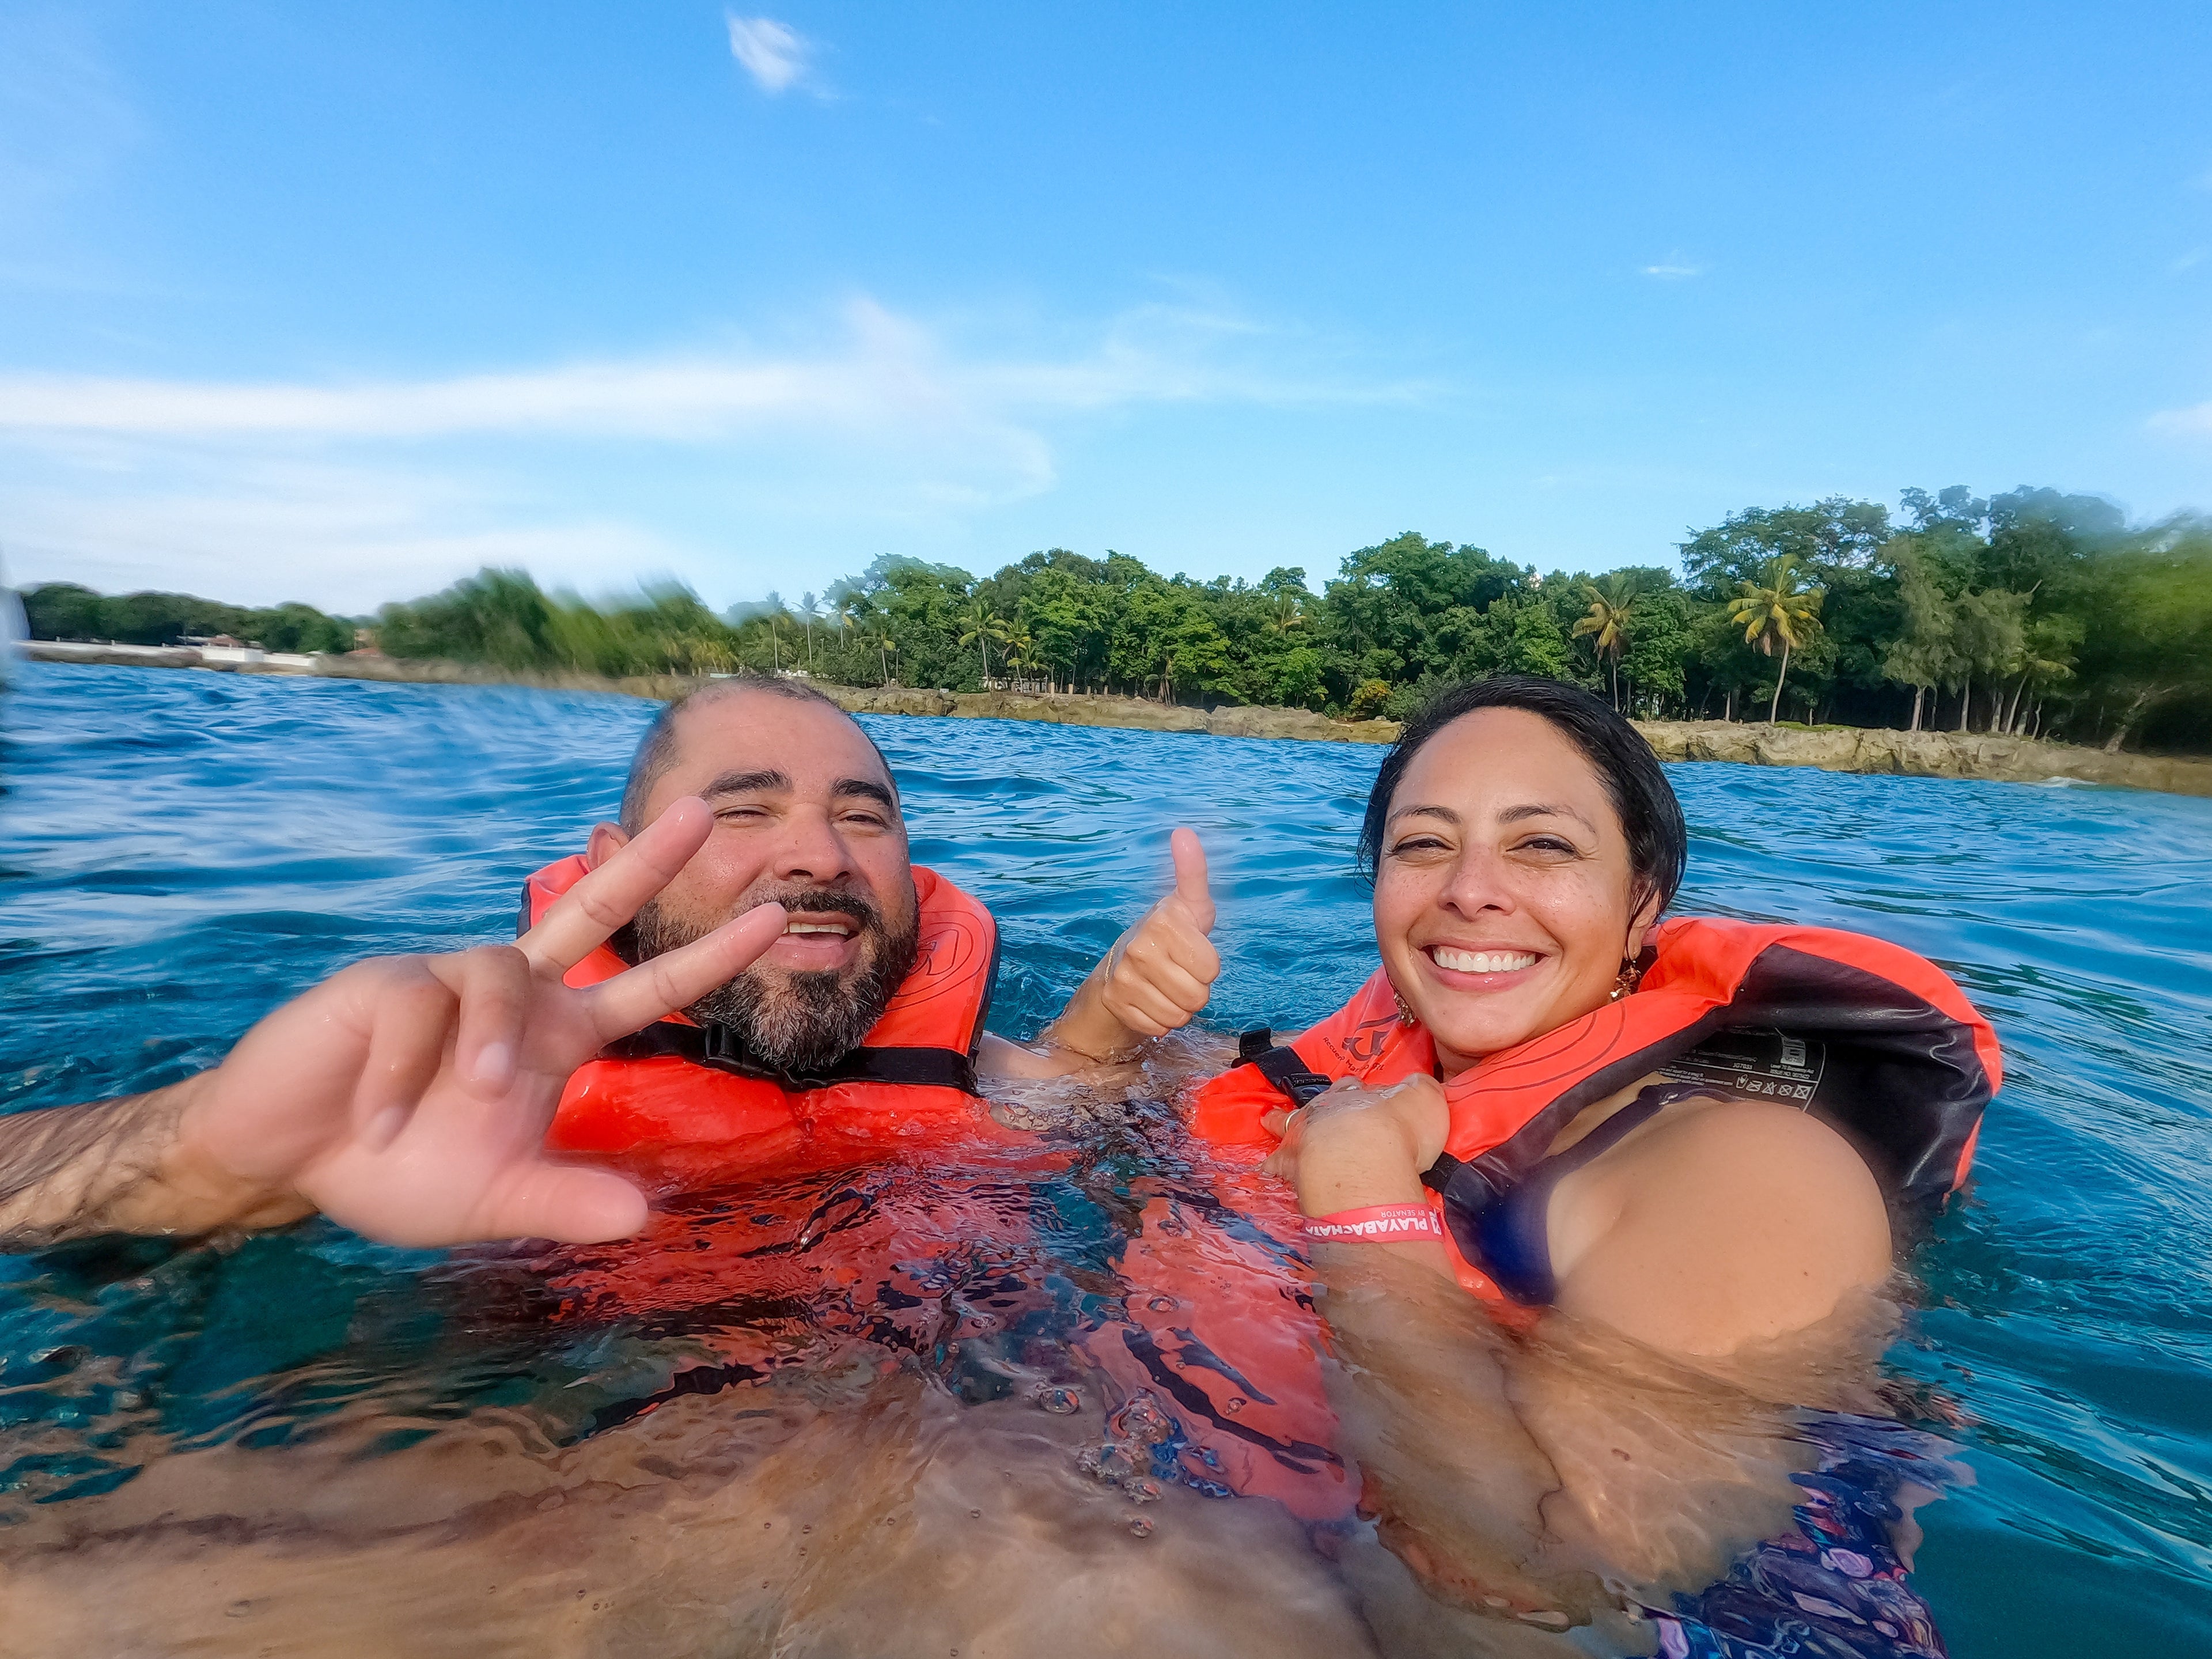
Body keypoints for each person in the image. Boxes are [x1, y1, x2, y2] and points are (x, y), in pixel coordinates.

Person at [0, 675, 1221, 1252]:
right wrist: (214, 1152)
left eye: (864, 815)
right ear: (612, 867)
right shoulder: (457, 1080)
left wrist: (1110, 1022)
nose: (821, 854)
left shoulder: (974, 1076)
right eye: (743, 811)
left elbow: (1133, 1098)